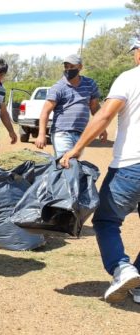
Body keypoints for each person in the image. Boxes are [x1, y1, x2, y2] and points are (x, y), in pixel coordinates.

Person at [59, 39, 140, 303]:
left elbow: (104, 115)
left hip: (132, 164)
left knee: (106, 220)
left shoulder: (129, 79)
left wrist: (77, 149)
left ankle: (121, 267)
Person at [36, 54, 107, 157]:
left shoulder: (90, 84)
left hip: (81, 134)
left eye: (71, 67)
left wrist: (102, 128)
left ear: (80, 67)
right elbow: (45, 112)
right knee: (67, 165)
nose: (68, 69)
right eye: (66, 67)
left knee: (73, 166)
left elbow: (95, 108)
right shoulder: (58, 87)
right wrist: (41, 134)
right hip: (62, 133)